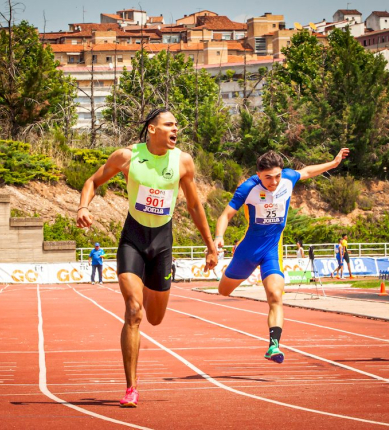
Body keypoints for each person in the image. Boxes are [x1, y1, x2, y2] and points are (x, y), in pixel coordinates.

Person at [76, 108, 217, 407]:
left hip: (162, 244)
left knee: (155, 317)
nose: (175, 129)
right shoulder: (127, 157)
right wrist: (83, 207)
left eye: (177, 125)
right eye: (168, 124)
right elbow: (92, 182)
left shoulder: (182, 162)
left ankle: (159, 287)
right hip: (133, 240)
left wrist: (210, 245)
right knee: (134, 310)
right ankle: (131, 387)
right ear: (152, 129)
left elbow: (194, 206)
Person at [214, 148, 349, 364]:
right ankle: (231, 273)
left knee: (276, 295)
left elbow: (307, 171)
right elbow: (225, 214)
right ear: (258, 174)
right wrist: (218, 237)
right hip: (247, 251)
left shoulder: (287, 178)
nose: (274, 182)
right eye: (268, 177)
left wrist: (333, 164)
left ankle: (273, 345)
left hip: (271, 251)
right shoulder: (247, 188)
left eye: (277, 176)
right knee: (223, 291)